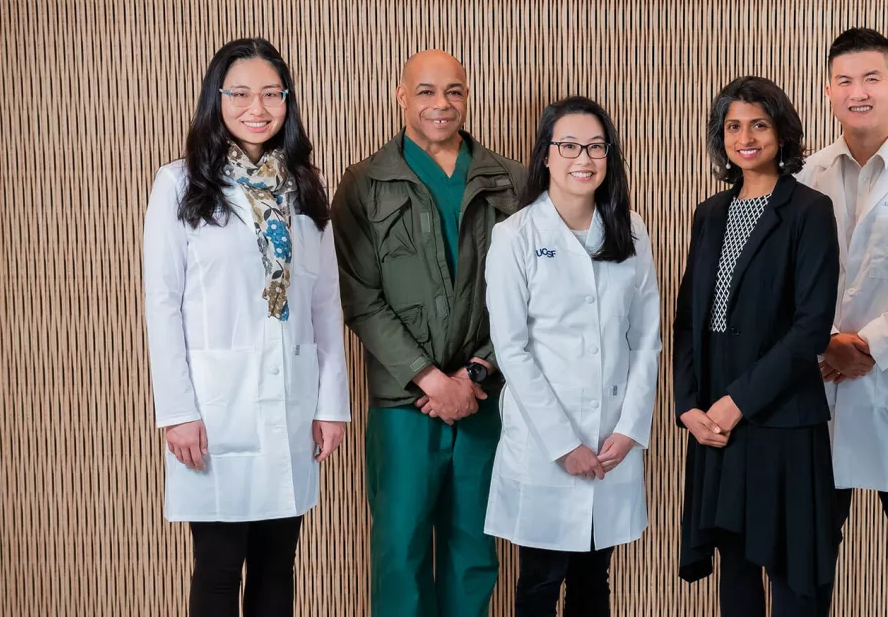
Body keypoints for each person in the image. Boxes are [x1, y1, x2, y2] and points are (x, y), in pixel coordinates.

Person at [143, 37, 349, 617]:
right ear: (217, 99)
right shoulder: (180, 184)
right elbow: (163, 304)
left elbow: (324, 303)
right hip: (215, 404)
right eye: (240, 93)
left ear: (287, 101)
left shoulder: (303, 186)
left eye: (270, 93)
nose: (256, 107)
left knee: (277, 567)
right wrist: (177, 411)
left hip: (289, 399)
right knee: (217, 568)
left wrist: (330, 404)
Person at [330, 49, 526, 617]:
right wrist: (429, 377)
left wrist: (477, 371)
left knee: (474, 551)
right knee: (400, 550)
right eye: (426, 91)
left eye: (454, 91)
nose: (441, 104)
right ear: (400, 96)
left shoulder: (509, 181)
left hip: (483, 397)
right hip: (403, 403)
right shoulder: (365, 183)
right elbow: (360, 298)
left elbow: (530, 296)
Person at [484, 96, 662, 617]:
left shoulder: (631, 231)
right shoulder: (515, 236)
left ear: (609, 156)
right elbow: (511, 348)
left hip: (612, 439)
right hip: (545, 444)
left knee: (594, 580)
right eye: (568, 146)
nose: (582, 158)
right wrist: (564, 445)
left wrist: (630, 428)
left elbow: (645, 339)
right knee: (540, 581)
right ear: (545, 156)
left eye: (595, 147)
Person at [675, 76, 842, 616]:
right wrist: (689, 407)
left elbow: (811, 329)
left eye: (759, 124)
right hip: (716, 424)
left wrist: (735, 403)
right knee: (736, 572)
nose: (745, 137)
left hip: (781, 418)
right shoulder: (709, 213)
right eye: (732, 126)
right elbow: (687, 322)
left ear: (782, 132)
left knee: (795, 578)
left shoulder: (809, 210)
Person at [796, 27, 888, 616]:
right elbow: (788, 281)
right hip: (816, 383)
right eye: (845, 81)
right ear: (829, 92)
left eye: (872, 78)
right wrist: (827, 344)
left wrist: (871, 345)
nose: (858, 92)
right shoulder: (806, 173)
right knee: (807, 566)